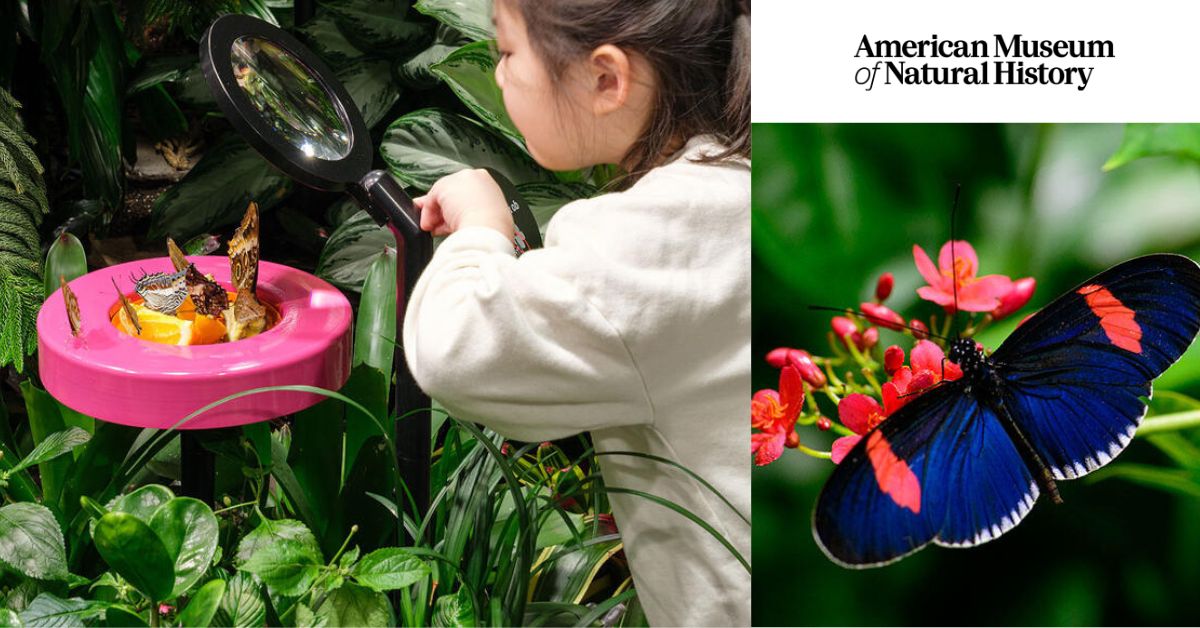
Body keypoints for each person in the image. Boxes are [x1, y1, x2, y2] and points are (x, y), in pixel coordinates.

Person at [403, 1, 750, 625]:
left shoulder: (649, 237)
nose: (498, 73)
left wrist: (480, 226)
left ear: (606, 79)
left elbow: (456, 350)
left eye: (508, 52)